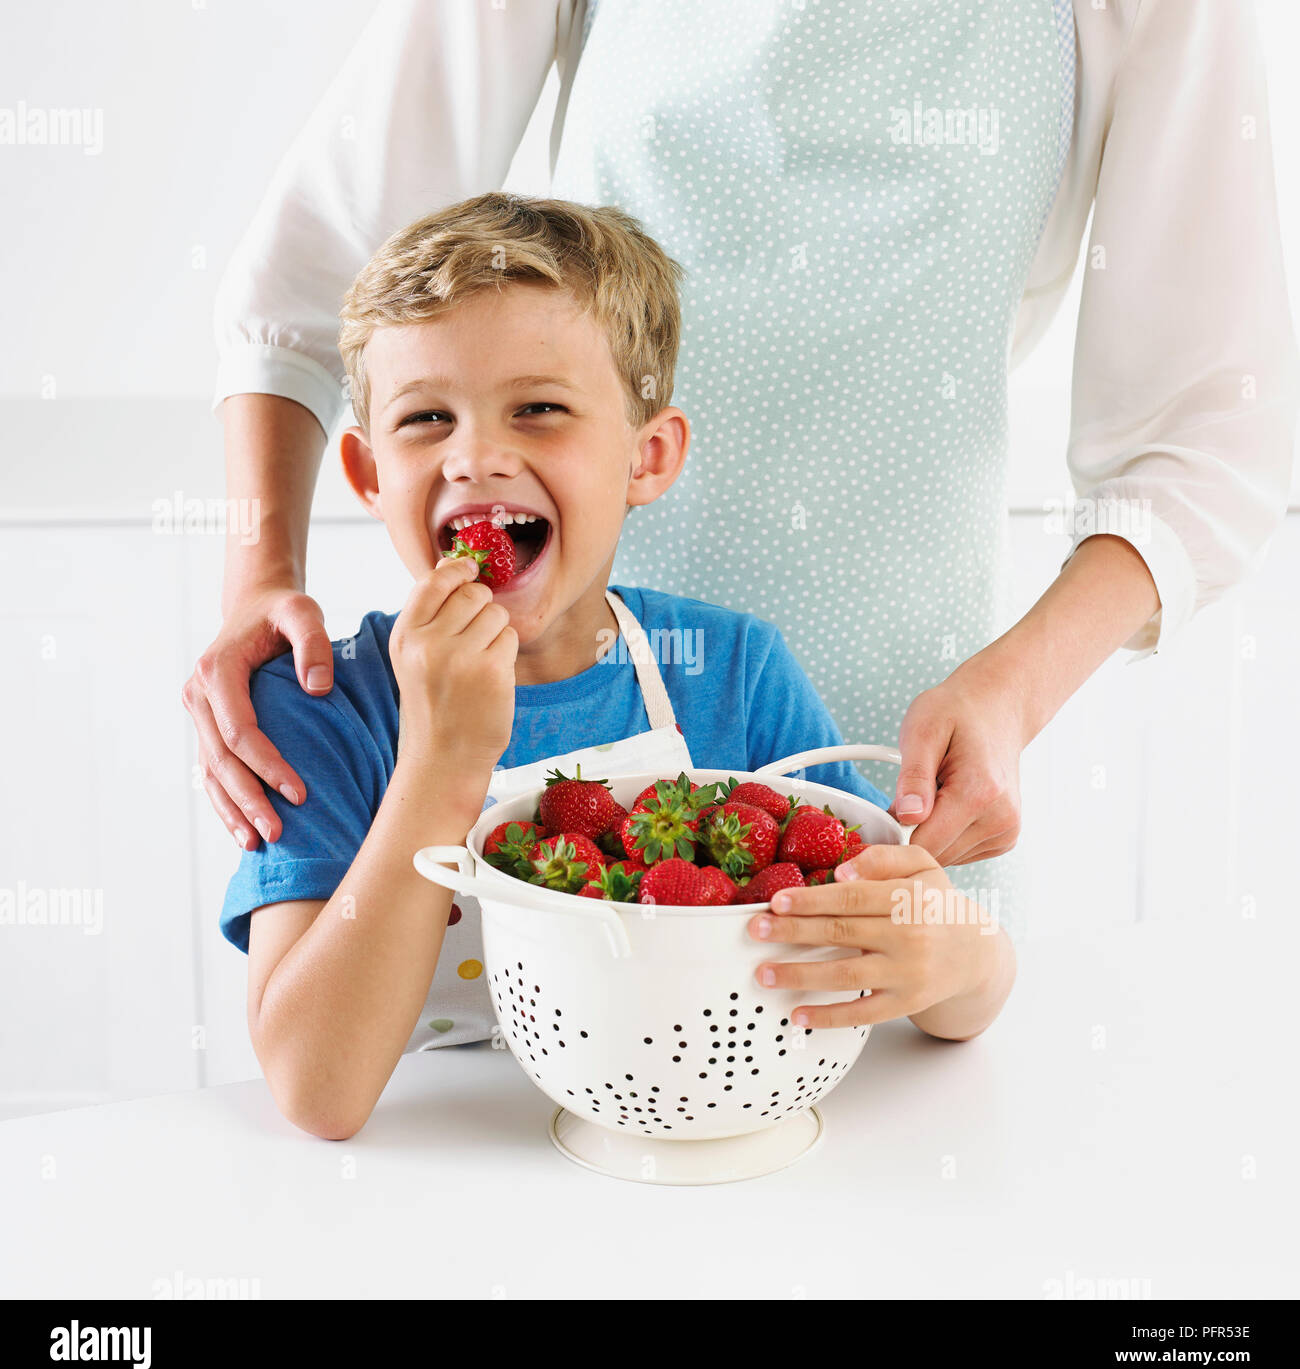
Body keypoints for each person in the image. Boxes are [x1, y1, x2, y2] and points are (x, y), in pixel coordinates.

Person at [189, 0, 1298, 932]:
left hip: (905, 726)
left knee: (875, 1067)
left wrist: (1012, 695)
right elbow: (318, 273)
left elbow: (1210, 431)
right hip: (555, 709)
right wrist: (259, 578)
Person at [222, 195, 1017, 1140]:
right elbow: (317, 1091)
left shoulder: (734, 674)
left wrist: (962, 961)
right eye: (427, 417)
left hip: (697, 1125)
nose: (475, 457)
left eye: (538, 410)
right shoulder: (317, 702)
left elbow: (933, 972)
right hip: (450, 1157)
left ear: (647, 457)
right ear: (368, 476)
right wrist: (440, 763)